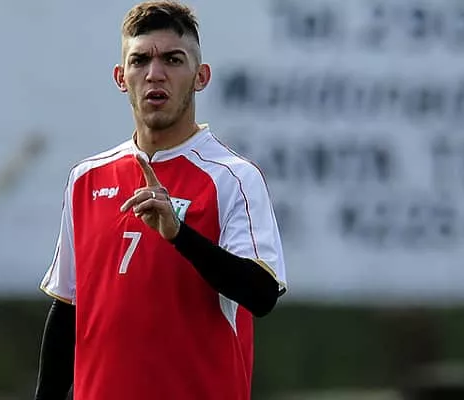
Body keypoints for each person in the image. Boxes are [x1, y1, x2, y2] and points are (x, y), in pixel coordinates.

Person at [34, 1, 287, 399]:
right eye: (140, 61)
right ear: (121, 77)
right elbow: (68, 310)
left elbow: (262, 294)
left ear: (200, 77)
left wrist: (179, 235)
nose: (155, 73)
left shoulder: (233, 178)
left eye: (172, 59)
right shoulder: (86, 179)